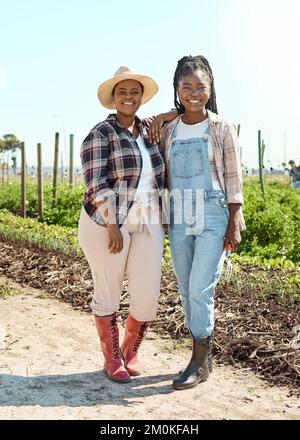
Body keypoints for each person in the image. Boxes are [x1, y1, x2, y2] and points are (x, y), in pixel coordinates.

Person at [149, 55, 246, 390]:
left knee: (200, 287)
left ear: (210, 88)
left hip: (214, 212)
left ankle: (199, 360)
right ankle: (202, 354)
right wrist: (165, 114)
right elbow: (140, 128)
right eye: (186, 86)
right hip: (179, 213)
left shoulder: (222, 128)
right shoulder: (167, 129)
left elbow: (234, 179)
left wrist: (235, 219)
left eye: (200, 86)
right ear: (177, 88)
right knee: (185, 288)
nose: (193, 92)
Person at [78, 66, 173, 383]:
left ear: (141, 97)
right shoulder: (101, 133)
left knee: (147, 296)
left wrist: (170, 113)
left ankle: (131, 349)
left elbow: (182, 111)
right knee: (109, 290)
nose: (129, 97)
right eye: (122, 92)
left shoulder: (149, 130)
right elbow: (96, 183)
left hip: (147, 219)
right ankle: (113, 358)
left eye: (134, 92)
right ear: (113, 99)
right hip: (107, 221)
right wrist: (112, 225)